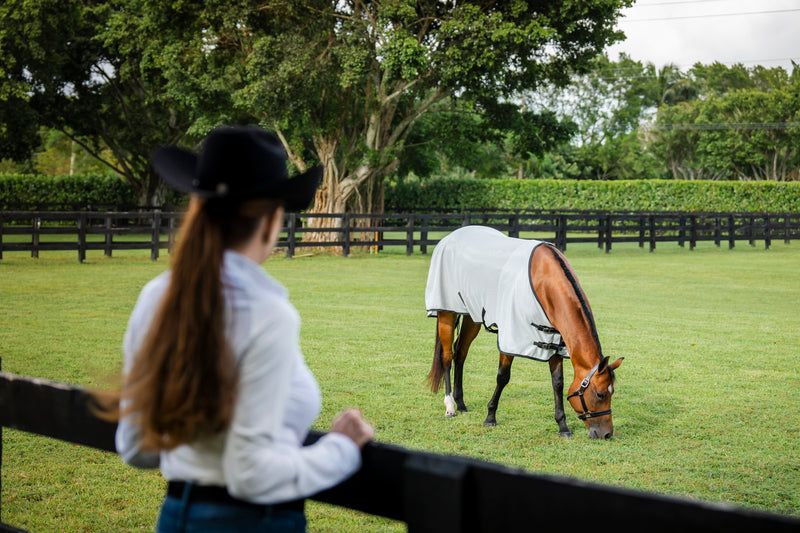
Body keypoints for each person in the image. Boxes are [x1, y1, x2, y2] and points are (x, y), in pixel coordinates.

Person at [115, 125, 375, 533]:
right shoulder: (266, 312)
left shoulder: (158, 296)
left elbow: (135, 447)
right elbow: (251, 474)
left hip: (176, 517)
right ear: (271, 220)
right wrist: (341, 449)